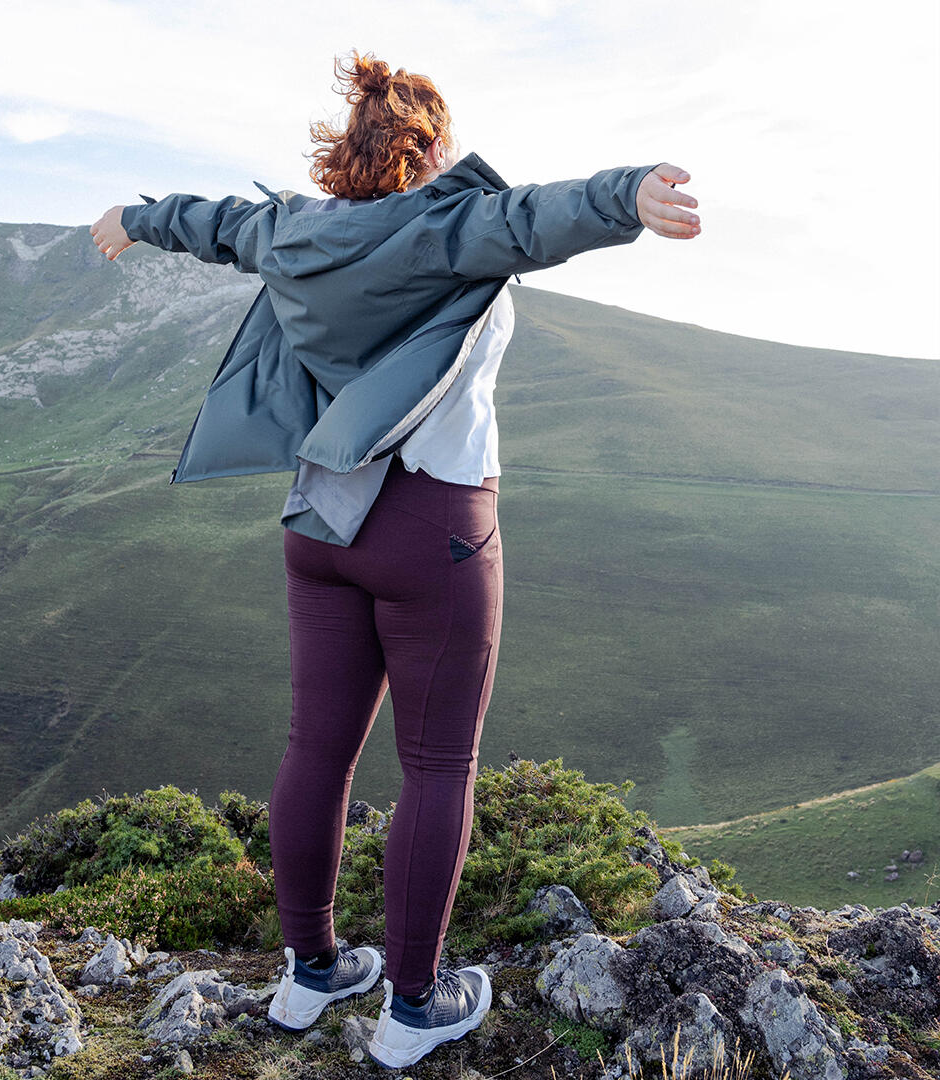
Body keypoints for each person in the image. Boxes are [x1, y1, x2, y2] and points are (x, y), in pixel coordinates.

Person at [91, 50, 700, 1069]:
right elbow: (535, 217)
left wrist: (136, 214)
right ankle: (415, 1008)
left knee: (314, 751)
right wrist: (626, 195)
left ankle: (311, 970)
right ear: (427, 151)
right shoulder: (442, 228)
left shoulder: (287, 227)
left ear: (346, 151)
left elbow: (209, 222)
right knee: (436, 766)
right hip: (435, 529)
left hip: (319, 523)